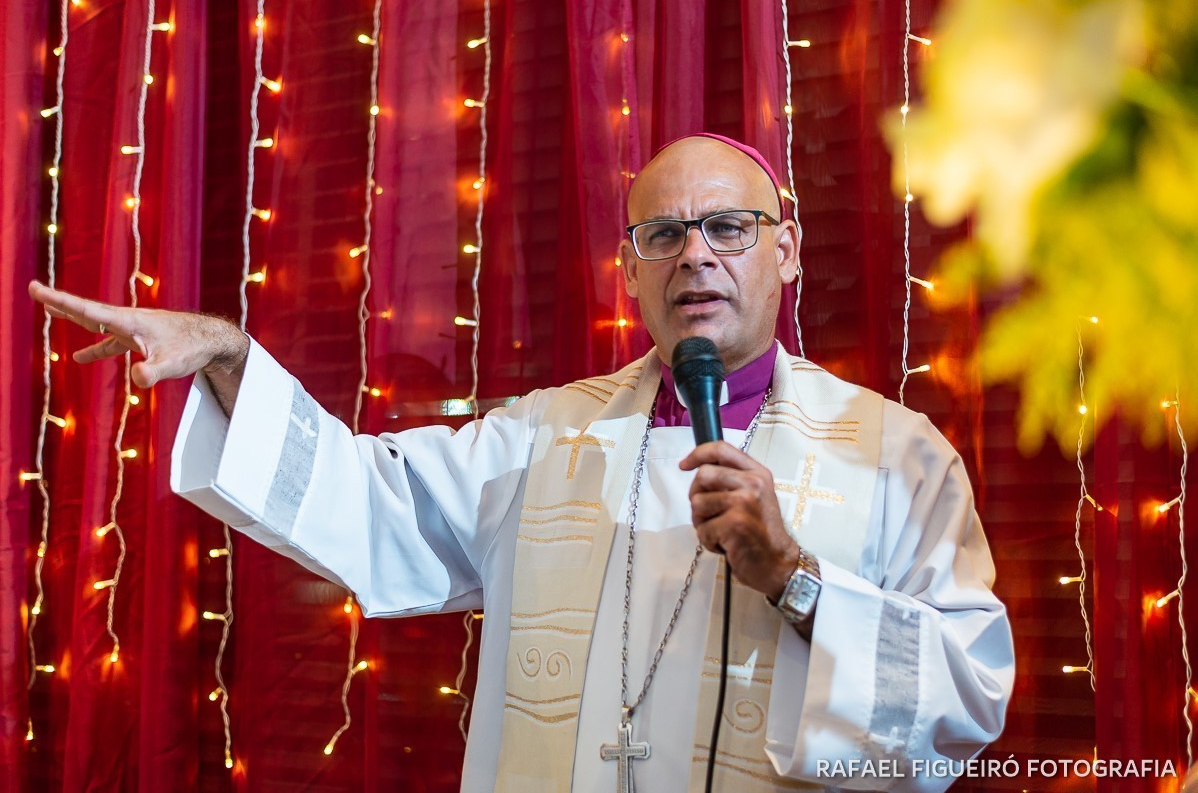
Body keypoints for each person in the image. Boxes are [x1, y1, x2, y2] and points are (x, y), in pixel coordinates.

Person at [28, 133, 1014, 792]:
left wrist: (795, 578)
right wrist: (232, 353)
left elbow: (965, 699)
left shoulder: (897, 455)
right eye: (661, 233)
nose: (695, 255)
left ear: (786, 251)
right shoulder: (546, 435)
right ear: (629, 269)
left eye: (728, 227)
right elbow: (369, 502)